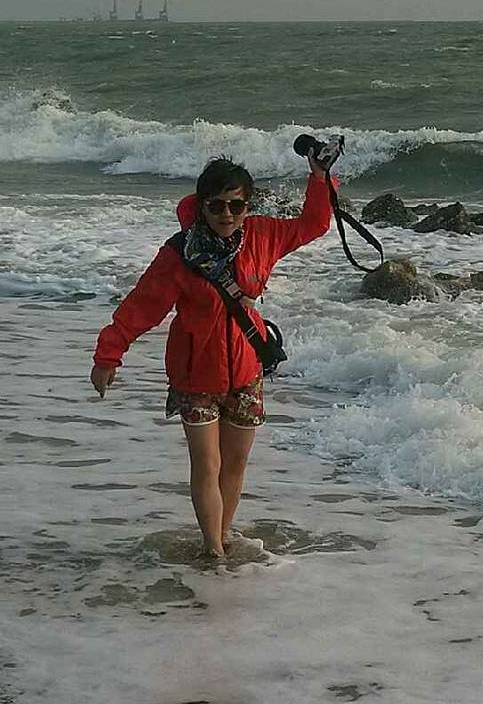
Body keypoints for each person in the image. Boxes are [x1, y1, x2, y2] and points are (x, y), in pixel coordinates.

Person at [91, 152, 335, 561]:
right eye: (217, 205)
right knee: (207, 465)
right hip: (195, 375)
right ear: (202, 204)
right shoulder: (179, 254)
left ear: (248, 207)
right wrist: (108, 355)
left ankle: (221, 536)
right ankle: (213, 551)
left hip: (246, 371)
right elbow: (142, 306)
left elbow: (314, 224)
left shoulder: (263, 236)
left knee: (234, 466)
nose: (227, 214)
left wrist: (320, 177)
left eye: (237, 205)